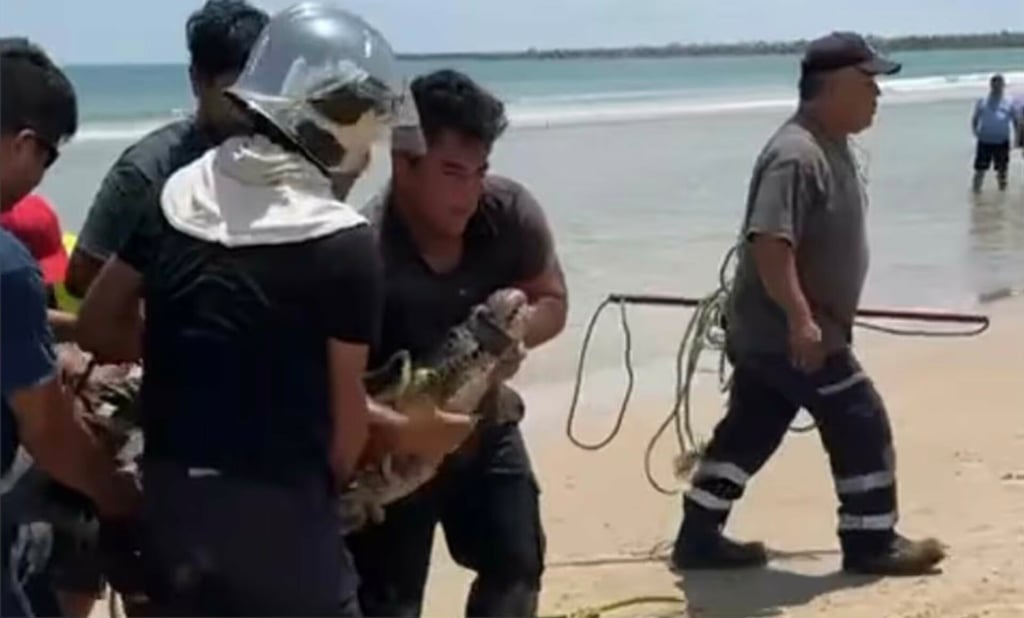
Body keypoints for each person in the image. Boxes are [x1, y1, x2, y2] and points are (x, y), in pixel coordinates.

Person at [75, 3, 428, 615]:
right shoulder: (343, 242)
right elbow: (346, 429)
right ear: (337, 140)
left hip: (174, 503)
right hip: (282, 517)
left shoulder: (174, 193)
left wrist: (190, 349)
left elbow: (97, 324)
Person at [669, 32, 946, 575]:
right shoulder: (796, 154)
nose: (877, 96)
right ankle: (871, 541)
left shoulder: (830, 144)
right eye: (868, 83)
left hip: (782, 332)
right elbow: (771, 241)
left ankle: (698, 535)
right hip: (790, 334)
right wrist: (801, 318)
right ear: (835, 86)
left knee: (750, 431)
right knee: (859, 418)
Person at [346, 69, 569, 618]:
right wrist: (399, 433)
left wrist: (513, 339)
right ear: (403, 164)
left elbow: (552, 302)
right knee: (387, 605)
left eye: (479, 172)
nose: (470, 193)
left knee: (517, 567)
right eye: (451, 173)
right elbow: (327, 386)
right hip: (391, 453)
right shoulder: (357, 252)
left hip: (484, 423)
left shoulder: (510, 212)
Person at [0, 37, 139, 618]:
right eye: (50, 158)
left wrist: (79, 329)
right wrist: (115, 494)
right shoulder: (9, 267)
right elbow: (48, 430)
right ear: (24, 145)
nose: (42, 176)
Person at [64, 0, 269, 298]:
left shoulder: (279, 156)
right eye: (237, 95)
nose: (252, 109)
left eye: (261, 91)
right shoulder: (147, 171)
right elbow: (82, 277)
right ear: (198, 81)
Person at [970, 73, 1016, 192]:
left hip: (1002, 141)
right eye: (994, 84)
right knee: (980, 170)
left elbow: (1016, 121)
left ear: (1003, 86)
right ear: (990, 85)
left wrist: (1017, 138)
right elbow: (975, 118)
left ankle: (1002, 195)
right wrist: (975, 132)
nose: (997, 87)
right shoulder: (982, 101)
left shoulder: (1009, 101)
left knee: (1002, 171)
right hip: (985, 141)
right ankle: (976, 193)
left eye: (999, 84)